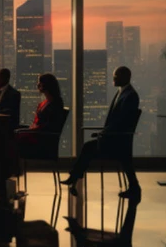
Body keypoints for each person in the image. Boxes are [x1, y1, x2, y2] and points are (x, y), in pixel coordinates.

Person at [60, 66, 141, 200]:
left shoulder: (130, 96)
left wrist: (102, 133)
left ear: (125, 77)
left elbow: (122, 121)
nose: (113, 79)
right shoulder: (123, 93)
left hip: (117, 142)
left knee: (88, 148)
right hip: (115, 139)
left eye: (116, 77)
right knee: (88, 148)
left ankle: (74, 177)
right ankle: (74, 178)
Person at [14, 73, 66, 159]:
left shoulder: (56, 103)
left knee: (10, 140)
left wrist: (34, 128)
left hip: (42, 139)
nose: (38, 85)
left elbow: (51, 125)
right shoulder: (47, 102)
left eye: (40, 82)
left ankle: (10, 169)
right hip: (37, 134)